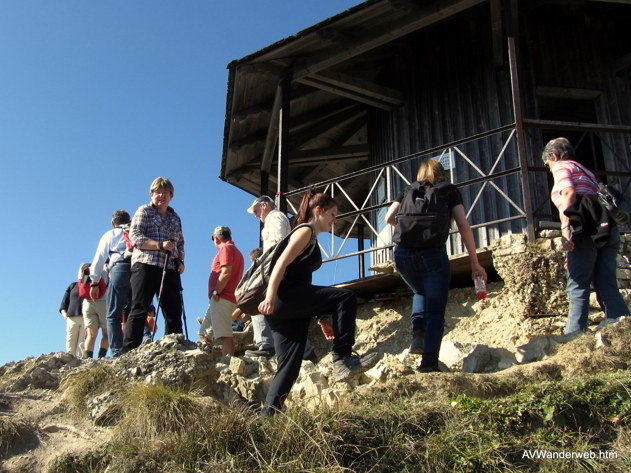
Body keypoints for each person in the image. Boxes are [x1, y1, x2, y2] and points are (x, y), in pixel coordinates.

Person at [258, 190, 378, 415]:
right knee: (346, 297)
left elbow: (302, 281)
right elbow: (280, 264)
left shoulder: (310, 237)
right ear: (319, 211)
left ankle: (267, 417)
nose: (335, 220)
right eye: (332, 214)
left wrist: (322, 316)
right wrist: (269, 296)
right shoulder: (305, 231)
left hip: (286, 307)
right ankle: (342, 358)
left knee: (289, 367)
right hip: (283, 300)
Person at [385, 158, 486, 373]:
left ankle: (418, 334)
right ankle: (429, 363)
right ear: (442, 173)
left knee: (419, 291)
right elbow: (463, 225)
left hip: (402, 254)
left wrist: (409, 228)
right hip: (432, 253)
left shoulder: (407, 190)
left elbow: (388, 218)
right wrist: (475, 263)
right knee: (436, 310)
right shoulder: (448, 190)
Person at [542, 137, 629, 334]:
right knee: (607, 284)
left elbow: (568, 193)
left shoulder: (561, 166)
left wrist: (566, 229)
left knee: (577, 286)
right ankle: (624, 331)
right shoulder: (587, 172)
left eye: (547, 163)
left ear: (553, 156)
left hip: (585, 231)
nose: (549, 168)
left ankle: (573, 338)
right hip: (608, 230)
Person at [122, 177, 185, 352]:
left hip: (169, 266)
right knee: (140, 307)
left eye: (165, 193)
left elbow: (180, 243)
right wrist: (159, 246)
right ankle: (128, 350)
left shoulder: (175, 217)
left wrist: (181, 260)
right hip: (145, 264)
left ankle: (175, 348)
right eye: (158, 192)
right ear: (151, 194)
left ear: (171, 195)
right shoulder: (144, 211)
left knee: (173, 310)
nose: (161, 196)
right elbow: (135, 237)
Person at [245, 195, 290, 358]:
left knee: (255, 299)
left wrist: (274, 267)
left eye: (256, 211)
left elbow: (278, 241)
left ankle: (266, 344)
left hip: (273, 266)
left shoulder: (274, 217)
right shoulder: (278, 217)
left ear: (264, 206)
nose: (256, 215)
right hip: (277, 266)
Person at [88, 209, 132, 357]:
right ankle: (137, 344)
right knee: (134, 310)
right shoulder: (135, 230)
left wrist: (94, 282)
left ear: (113, 223)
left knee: (113, 314)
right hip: (139, 269)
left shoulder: (110, 234)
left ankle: (117, 351)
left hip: (119, 268)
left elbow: (99, 258)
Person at [199, 226, 244, 356]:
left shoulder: (226, 248)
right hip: (228, 298)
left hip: (221, 297)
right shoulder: (237, 252)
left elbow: (225, 273)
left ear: (216, 238)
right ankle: (211, 361)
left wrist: (216, 292)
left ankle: (228, 365)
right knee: (204, 332)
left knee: (225, 336)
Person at [79, 262, 109, 358]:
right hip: (102, 302)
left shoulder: (85, 270)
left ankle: (88, 359)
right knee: (106, 334)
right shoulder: (104, 270)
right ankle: (101, 357)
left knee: (91, 334)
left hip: (87, 303)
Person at [59, 281, 85, 357]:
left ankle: (80, 361)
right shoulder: (73, 285)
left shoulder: (92, 284)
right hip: (71, 318)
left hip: (86, 318)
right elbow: (64, 302)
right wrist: (64, 313)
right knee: (70, 341)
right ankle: (70, 361)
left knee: (82, 342)